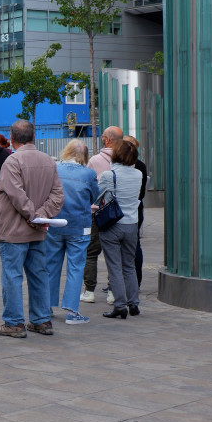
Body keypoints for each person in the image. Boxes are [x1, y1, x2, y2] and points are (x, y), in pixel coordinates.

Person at [0, 119, 64, 339]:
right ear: (34, 137)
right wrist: (41, 216)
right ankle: (42, 320)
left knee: (12, 276)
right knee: (39, 275)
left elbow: (16, 194)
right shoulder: (48, 161)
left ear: (11, 139)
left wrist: (33, 216)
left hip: (14, 230)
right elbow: (58, 195)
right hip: (37, 229)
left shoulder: (12, 161)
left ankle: (14, 323)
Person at [45, 140, 99, 325]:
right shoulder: (89, 174)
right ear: (84, 156)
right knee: (76, 267)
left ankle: (47, 307)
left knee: (51, 265)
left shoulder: (54, 168)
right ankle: (72, 311)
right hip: (79, 225)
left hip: (55, 222)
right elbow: (94, 196)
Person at [99, 139, 144, 319]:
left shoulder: (108, 175)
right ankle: (134, 303)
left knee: (114, 267)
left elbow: (100, 197)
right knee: (129, 265)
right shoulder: (138, 174)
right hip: (132, 224)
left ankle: (119, 305)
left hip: (112, 224)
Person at [81, 126, 123, 303]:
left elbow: (87, 187)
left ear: (106, 140)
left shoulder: (95, 160)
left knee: (91, 253)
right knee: (115, 254)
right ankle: (113, 291)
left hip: (97, 213)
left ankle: (89, 291)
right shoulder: (128, 160)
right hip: (120, 214)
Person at [124, 135, 149, 289]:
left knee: (126, 248)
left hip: (127, 211)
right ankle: (136, 282)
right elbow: (142, 193)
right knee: (135, 245)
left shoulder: (125, 167)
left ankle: (124, 283)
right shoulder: (141, 166)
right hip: (136, 209)